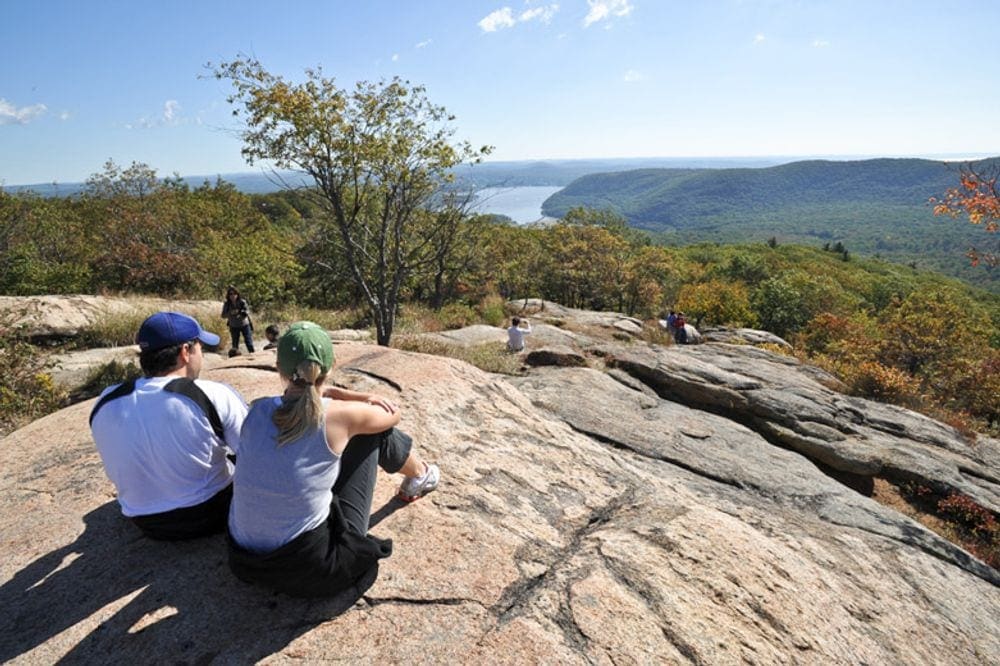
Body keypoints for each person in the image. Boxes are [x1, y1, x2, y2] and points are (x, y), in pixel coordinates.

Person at [227, 321, 440, 598]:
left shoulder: (257, 411)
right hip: (312, 570)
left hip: (245, 561)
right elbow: (392, 414)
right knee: (370, 434)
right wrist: (352, 395)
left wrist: (327, 394)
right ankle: (420, 475)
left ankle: (419, 475)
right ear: (331, 365)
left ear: (278, 367)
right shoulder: (338, 416)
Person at [89, 311, 249, 540]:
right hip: (211, 512)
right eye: (200, 347)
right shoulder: (211, 394)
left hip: (145, 522)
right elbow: (254, 454)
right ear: (185, 351)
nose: (201, 354)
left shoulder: (106, 399)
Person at [222, 285, 255, 356]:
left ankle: (254, 356)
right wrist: (230, 313)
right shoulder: (227, 304)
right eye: (230, 294)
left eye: (234, 293)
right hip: (233, 326)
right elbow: (223, 315)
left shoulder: (242, 302)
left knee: (249, 343)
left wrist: (241, 313)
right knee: (235, 345)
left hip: (244, 325)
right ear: (228, 295)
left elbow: (247, 311)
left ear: (237, 294)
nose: (233, 295)